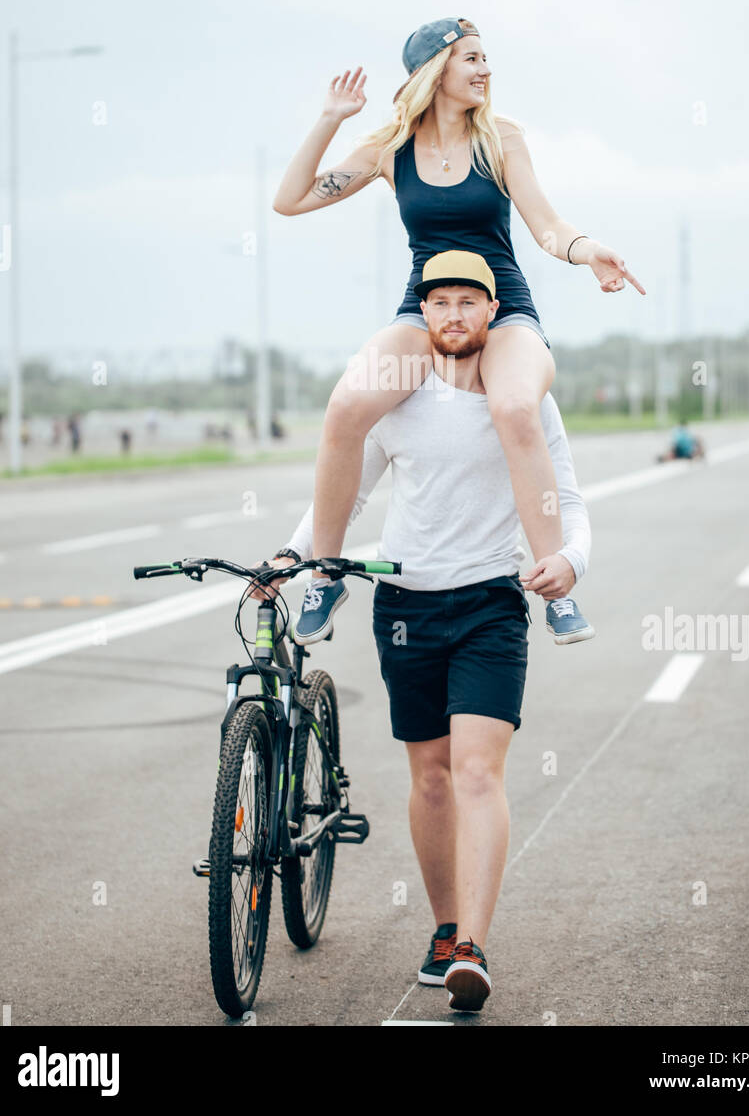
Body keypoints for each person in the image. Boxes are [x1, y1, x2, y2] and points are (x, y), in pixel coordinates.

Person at [251, 252, 593, 1012]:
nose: (454, 316)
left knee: (476, 771)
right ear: (424, 314)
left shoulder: (521, 395)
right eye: (439, 302)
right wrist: (293, 554)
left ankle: (472, 943)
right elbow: (348, 490)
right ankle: (445, 928)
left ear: (493, 311)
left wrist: (571, 558)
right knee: (431, 775)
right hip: (404, 607)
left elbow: (566, 494)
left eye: (469, 302)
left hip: (491, 605)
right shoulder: (398, 397)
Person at [272, 16, 642, 644]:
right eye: (471, 58)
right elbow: (291, 199)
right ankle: (325, 574)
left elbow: (545, 225)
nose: (484, 69)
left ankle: (553, 586)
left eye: (486, 58)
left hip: (504, 307)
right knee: (345, 407)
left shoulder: (500, 138)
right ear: (434, 72)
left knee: (516, 406)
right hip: (425, 310)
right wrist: (331, 118)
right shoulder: (391, 147)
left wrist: (587, 252)